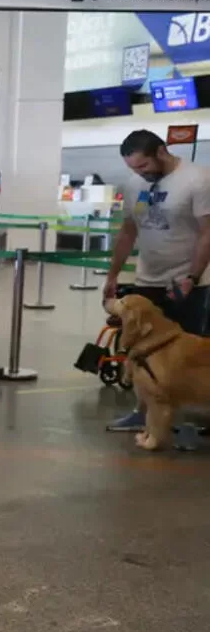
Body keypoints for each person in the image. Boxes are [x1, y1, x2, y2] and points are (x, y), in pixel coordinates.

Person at [104, 129, 210, 433]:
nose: (140, 173)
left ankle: (188, 422)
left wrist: (192, 276)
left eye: (143, 166)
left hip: (189, 281)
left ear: (161, 152)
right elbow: (128, 232)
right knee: (141, 353)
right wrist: (113, 275)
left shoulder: (198, 180)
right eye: (133, 169)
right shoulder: (135, 184)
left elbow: (207, 233)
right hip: (148, 279)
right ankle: (143, 412)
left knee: (188, 356)